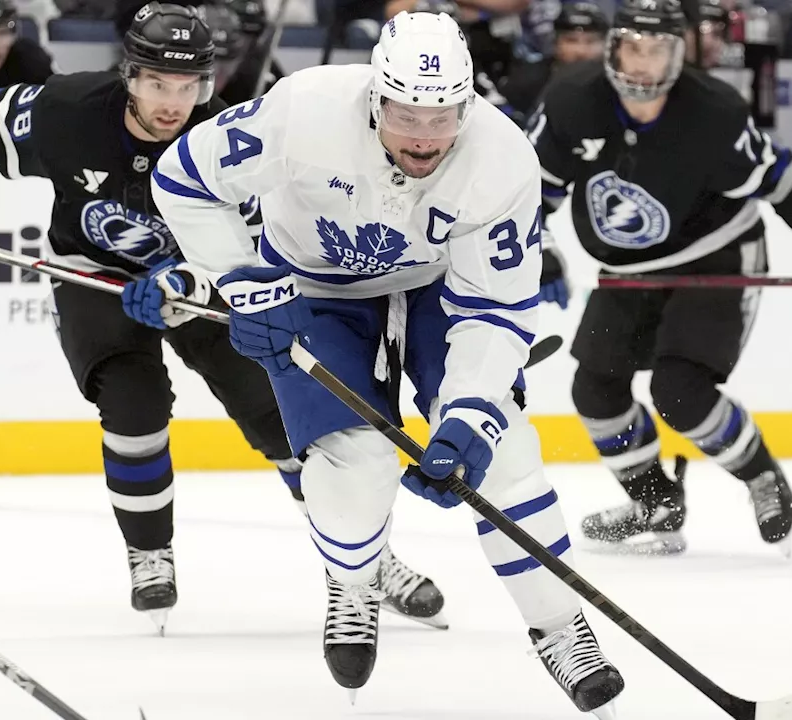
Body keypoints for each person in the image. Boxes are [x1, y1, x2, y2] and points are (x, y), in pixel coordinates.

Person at [0, 2, 446, 635]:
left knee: (280, 419)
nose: (173, 102)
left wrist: (187, 278)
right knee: (133, 403)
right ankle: (148, 552)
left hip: (201, 284)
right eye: (158, 83)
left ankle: (366, 561)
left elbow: (252, 243)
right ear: (129, 74)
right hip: (94, 275)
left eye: (188, 86)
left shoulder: (224, 141)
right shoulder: (68, 109)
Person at [150, 10, 625, 715]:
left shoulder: (501, 159)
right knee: (352, 460)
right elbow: (183, 177)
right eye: (407, 113)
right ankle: (353, 582)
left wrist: (470, 414)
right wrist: (244, 282)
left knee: (507, 452)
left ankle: (561, 626)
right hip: (312, 288)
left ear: (467, 104)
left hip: (437, 288)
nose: (425, 137)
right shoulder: (304, 110)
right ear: (375, 96)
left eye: (443, 116)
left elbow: (495, 311)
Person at [528, 0, 792, 556]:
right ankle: (654, 501)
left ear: (679, 51)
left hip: (714, 255)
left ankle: (760, 475)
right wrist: (542, 248)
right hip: (626, 268)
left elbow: (783, 181)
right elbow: (529, 192)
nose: (642, 64)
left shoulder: (713, 112)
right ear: (612, 48)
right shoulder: (571, 101)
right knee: (595, 389)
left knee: (680, 391)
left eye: (657, 50)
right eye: (632, 47)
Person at [499, 0, 607, 120]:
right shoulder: (524, 83)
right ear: (555, 42)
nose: (580, 51)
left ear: (607, 45)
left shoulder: (615, 87)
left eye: (591, 41)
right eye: (571, 40)